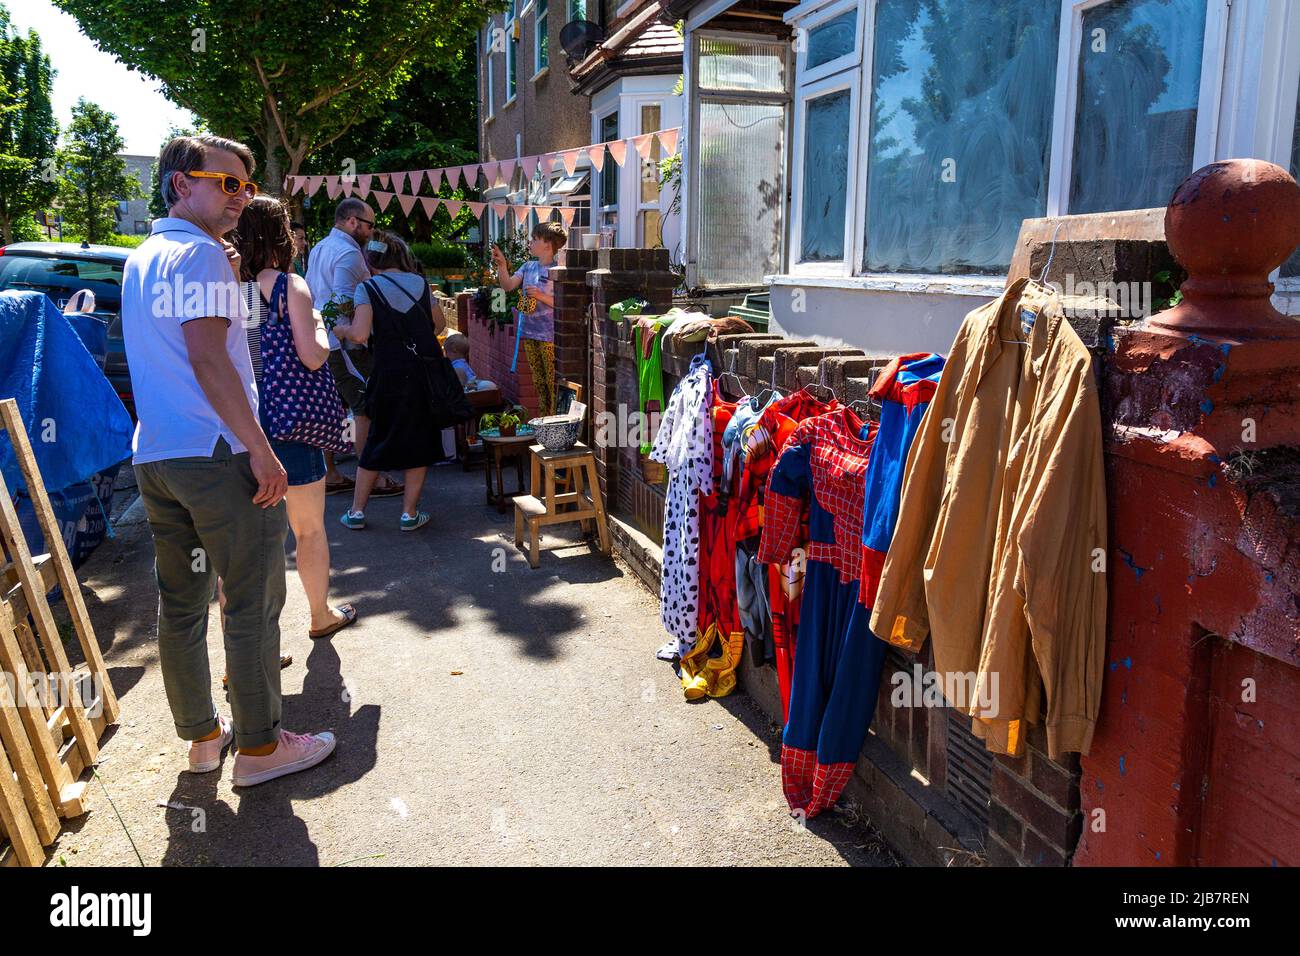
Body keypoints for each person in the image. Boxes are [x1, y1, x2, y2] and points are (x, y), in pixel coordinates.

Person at [121, 133, 335, 787]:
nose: (241, 196)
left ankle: (204, 739)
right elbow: (210, 361)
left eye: (246, 185)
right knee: (251, 602)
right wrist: (263, 451)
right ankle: (264, 750)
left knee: (180, 604)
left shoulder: (145, 256)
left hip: (158, 452)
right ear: (182, 183)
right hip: (215, 453)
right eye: (228, 183)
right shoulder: (203, 255)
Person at [233, 195, 358, 640]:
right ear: (280, 234)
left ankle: (248, 650)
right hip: (291, 424)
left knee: (244, 546)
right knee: (307, 531)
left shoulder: (224, 286)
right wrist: (322, 329)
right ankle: (320, 615)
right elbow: (311, 356)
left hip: (238, 425)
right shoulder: (290, 286)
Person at [332, 231, 449, 531]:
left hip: (386, 373)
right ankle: (409, 514)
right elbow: (440, 325)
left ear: (371, 260)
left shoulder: (367, 288)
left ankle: (356, 511)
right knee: (419, 438)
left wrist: (341, 330)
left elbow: (359, 335)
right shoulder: (420, 284)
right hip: (420, 373)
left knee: (376, 438)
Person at [305, 197, 403, 499]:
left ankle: (331, 473)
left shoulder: (321, 246)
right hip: (344, 344)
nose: (371, 232)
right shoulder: (349, 252)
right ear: (352, 222)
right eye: (369, 225)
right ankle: (371, 477)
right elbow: (342, 300)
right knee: (364, 409)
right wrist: (351, 333)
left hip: (322, 340)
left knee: (331, 408)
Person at [490, 220, 565, 416]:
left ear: (547, 245)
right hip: (530, 333)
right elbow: (507, 286)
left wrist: (540, 296)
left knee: (551, 383)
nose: (529, 243)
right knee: (539, 383)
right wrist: (502, 265)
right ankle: (544, 419)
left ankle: (553, 420)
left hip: (549, 337)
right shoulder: (528, 266)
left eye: (534, 239)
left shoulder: (558, 270)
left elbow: (564, 304)